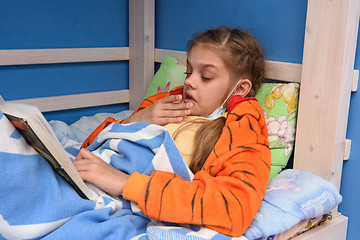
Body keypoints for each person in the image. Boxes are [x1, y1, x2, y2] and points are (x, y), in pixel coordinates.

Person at [73, 26, 271, 237]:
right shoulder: (164, 105)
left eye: (206, 76)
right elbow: (90, 147)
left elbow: (233, 208)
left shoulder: (241, 133)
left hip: (119, 197)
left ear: (240, 89)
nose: (189, 81)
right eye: (189, 72)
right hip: (85, 177)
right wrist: (138, 118)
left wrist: (126, 184)